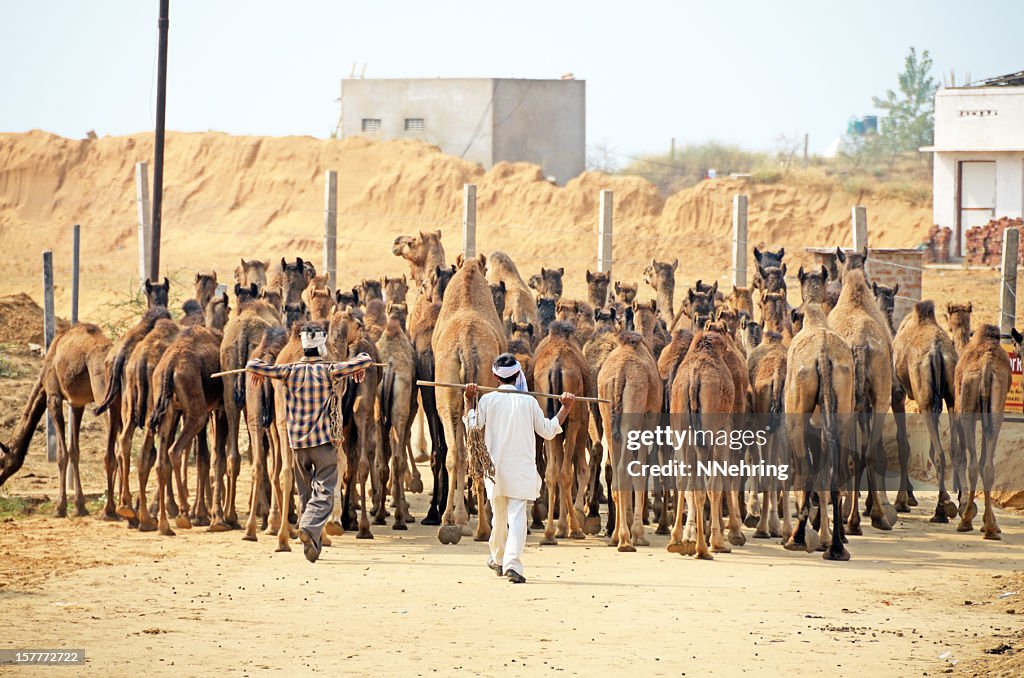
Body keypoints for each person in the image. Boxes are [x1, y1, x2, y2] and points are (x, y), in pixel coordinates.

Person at [246, 322, 372, 563]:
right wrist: (360, 363)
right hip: (322, 444)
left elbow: (253, 364)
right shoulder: (330, 370)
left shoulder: (288, 371)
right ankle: (307, 526)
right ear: (322, 346)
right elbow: (363, 360)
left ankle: (311, 546)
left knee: (305, 495)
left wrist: (256, 371)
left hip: (297, 447)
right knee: (324, 494)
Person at [464, 353, 575, 584]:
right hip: (521, 471)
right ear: (517, 375)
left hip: (494, 471)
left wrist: (468, 400)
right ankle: (509, 563)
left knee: (499, 517)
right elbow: (548, 430)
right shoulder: (529, 402)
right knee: (516, 519)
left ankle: (500, 559)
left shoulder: (487, 401)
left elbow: (472, 426)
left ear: (495, 377)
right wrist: (565, 408)